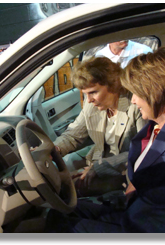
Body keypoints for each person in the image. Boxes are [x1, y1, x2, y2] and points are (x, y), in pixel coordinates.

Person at [46, 46, 165, 233]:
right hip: (136, 212)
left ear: (158, 92)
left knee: (63, 225)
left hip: (151, 227)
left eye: (137, 94)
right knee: (58, 213)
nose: (133, 100)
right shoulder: (157, 124)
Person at [53, 57, 146, 197]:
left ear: (113, 85)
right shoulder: (91, 106)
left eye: (93, 92)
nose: (89, 100)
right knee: (57, 181)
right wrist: (54, 149)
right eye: (85, 94)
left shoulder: (136, 106)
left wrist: (100, 167)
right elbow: (72, 135)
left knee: (66, 190)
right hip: (97, 160)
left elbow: (143, 152)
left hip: (124, 172)